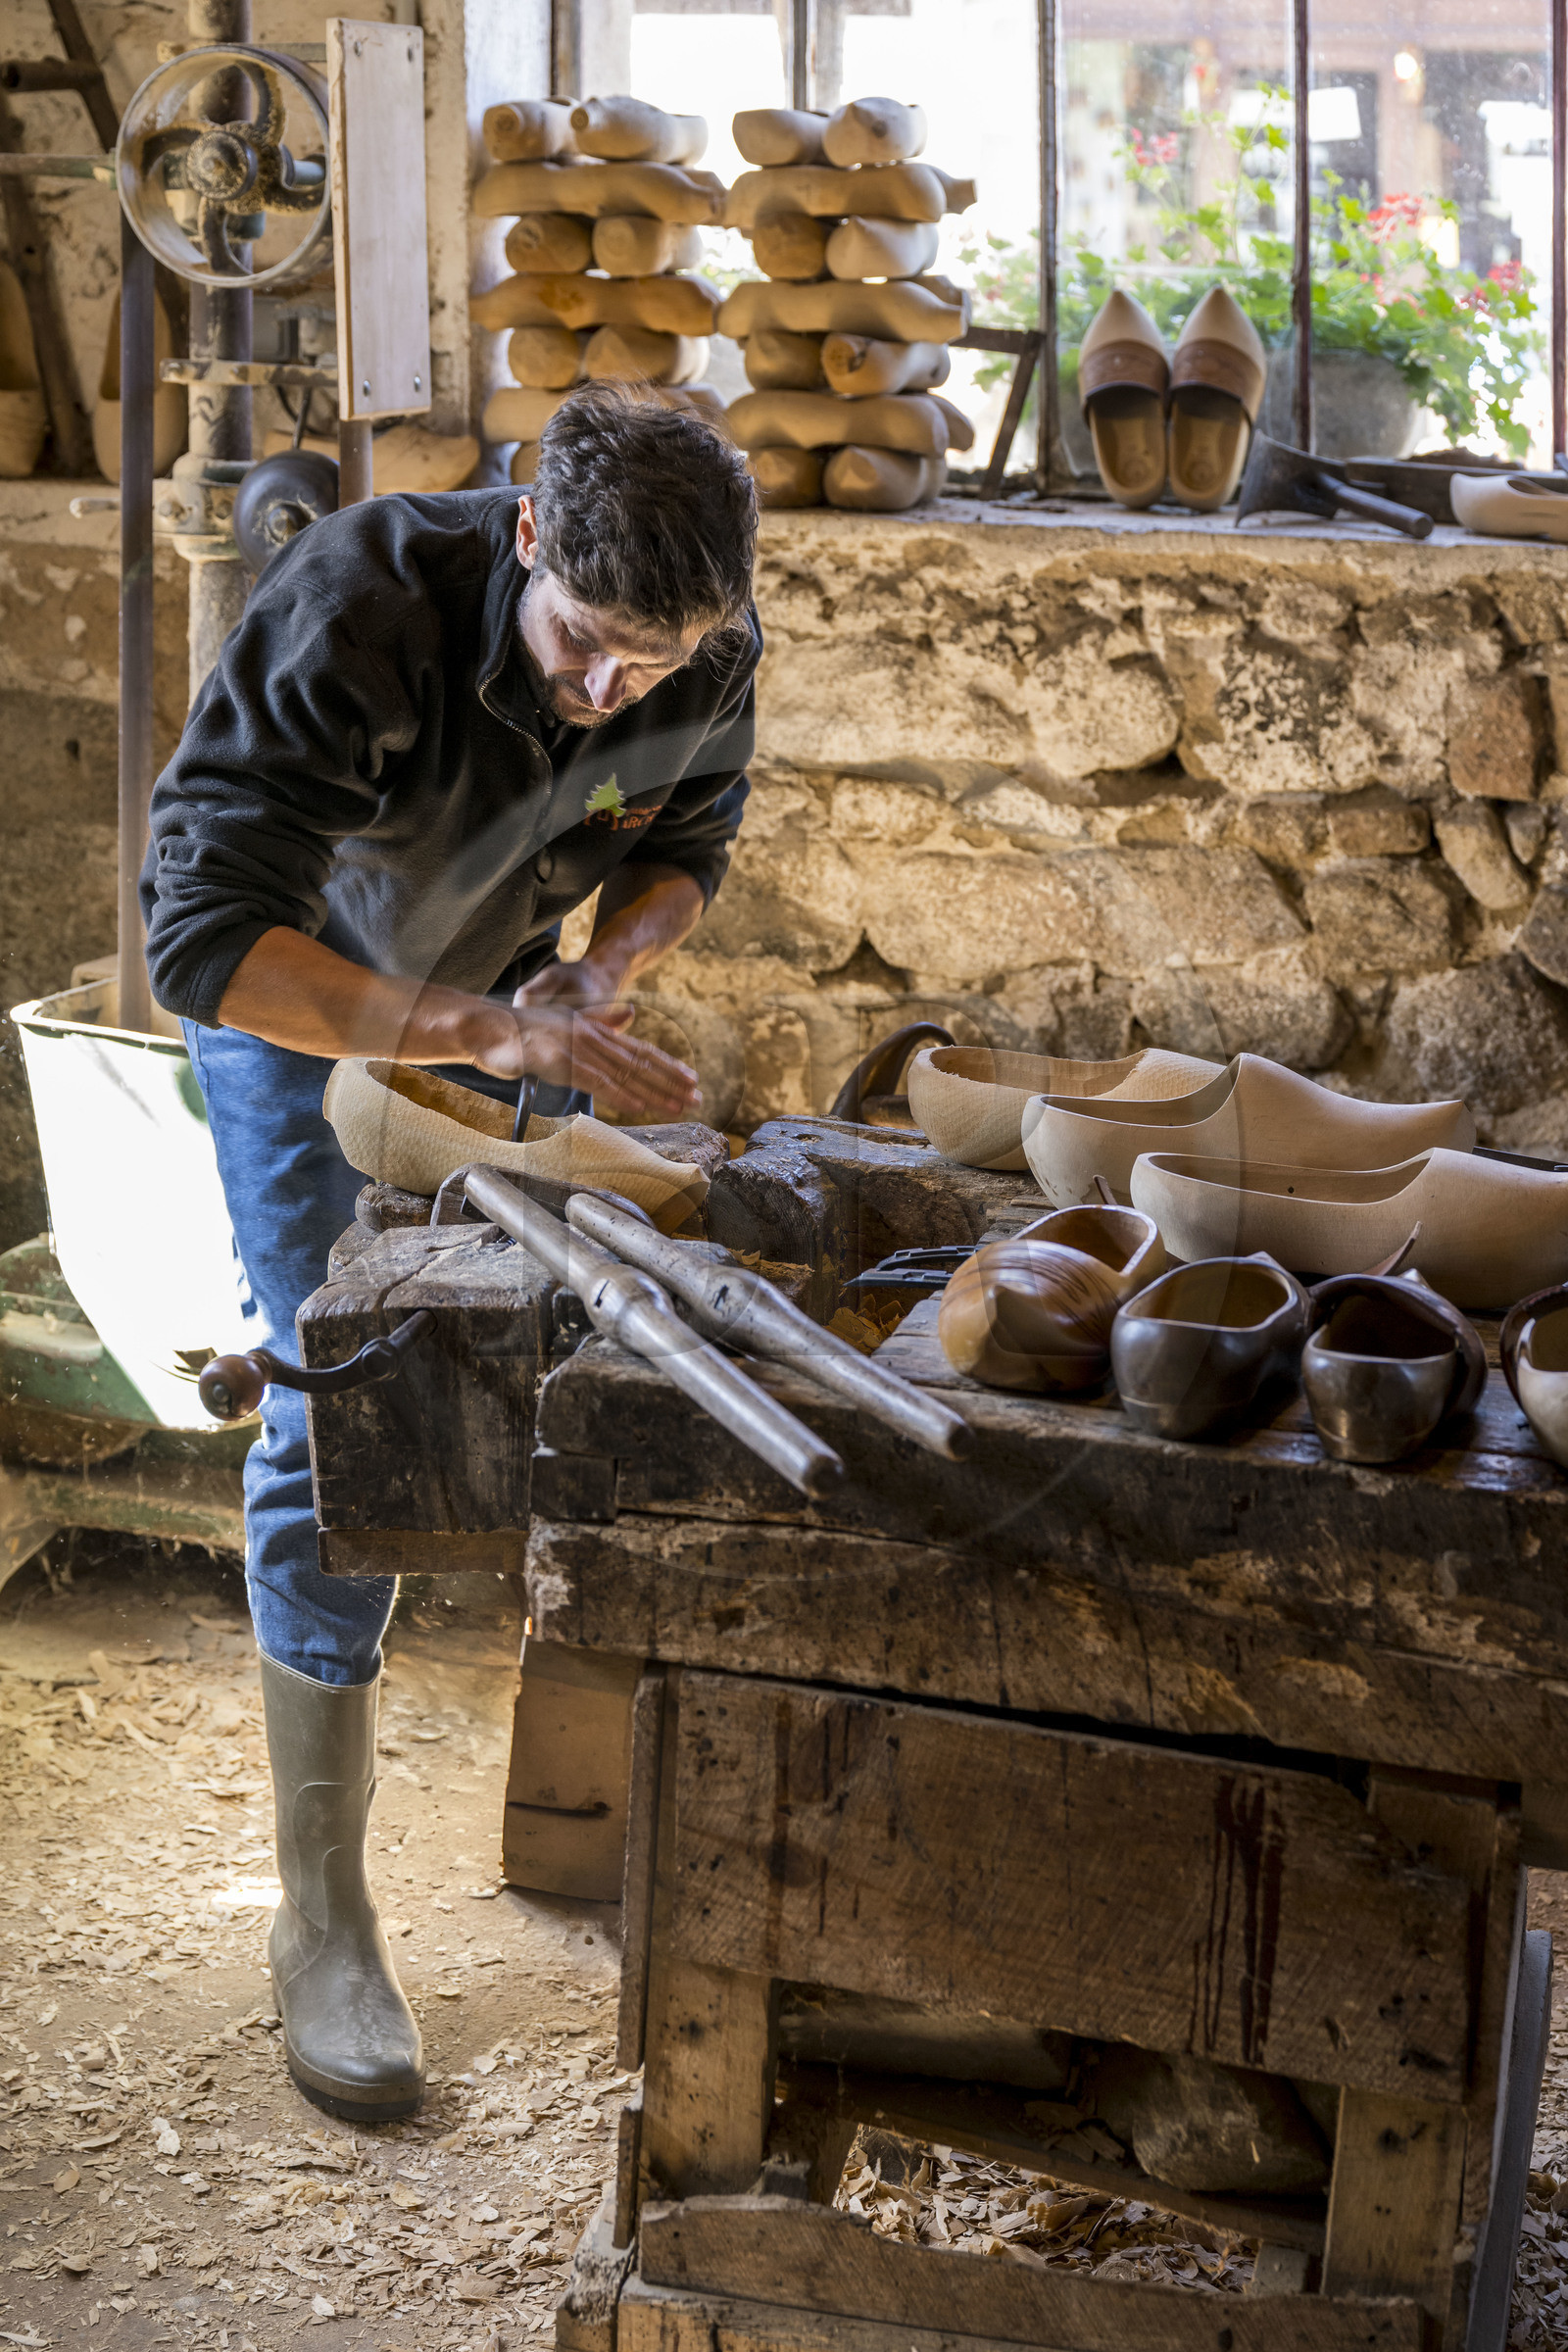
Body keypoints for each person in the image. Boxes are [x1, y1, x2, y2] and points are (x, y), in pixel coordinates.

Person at [140, 384, 760, 2122]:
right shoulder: (361, 610)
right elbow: (197, 939)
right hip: (297, 993)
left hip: (494, 1000)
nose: (612, 692)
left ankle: (538, 1792)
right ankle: (320, 1919)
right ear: (528, 530)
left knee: (500, 1353)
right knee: (336, 1390)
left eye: (657, 662)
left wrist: (600, 976)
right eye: (584, 651)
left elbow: (690, 842)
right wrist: (463, 1028)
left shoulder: (690, 635)